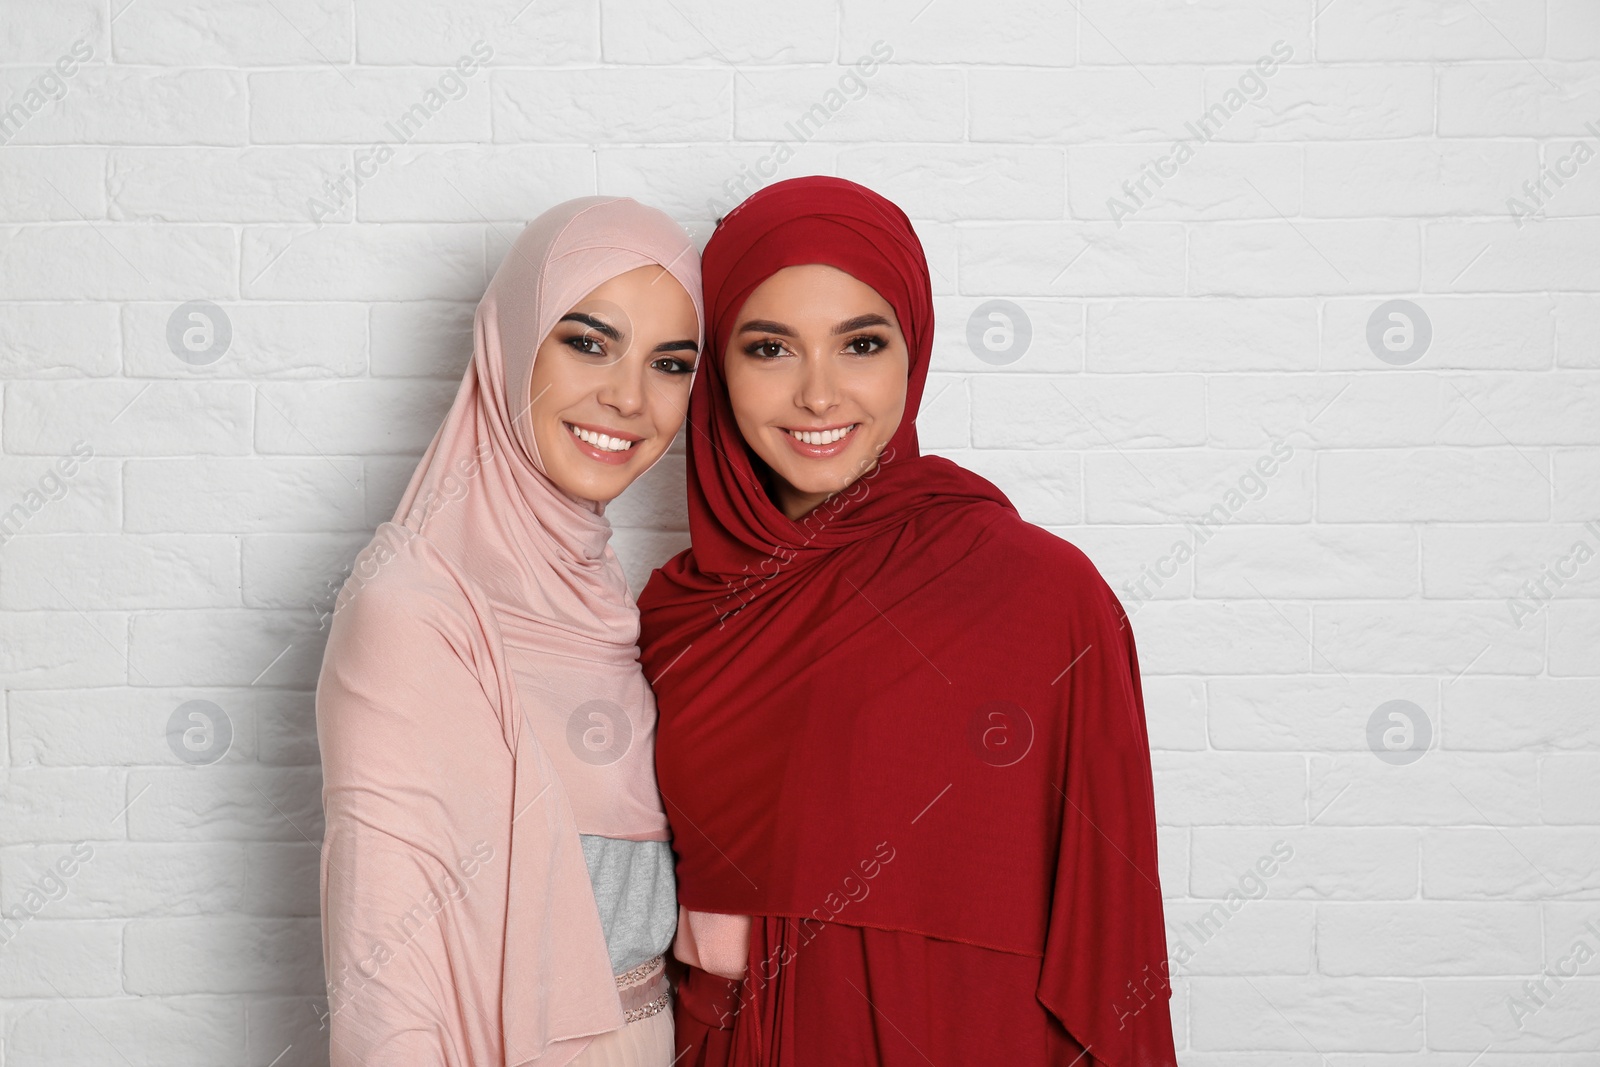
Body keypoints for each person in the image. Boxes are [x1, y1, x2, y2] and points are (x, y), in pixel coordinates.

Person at [637, 176, 1177, 1065]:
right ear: (716, 370)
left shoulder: (1044, 596)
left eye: (861, 343)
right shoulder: (673, 617)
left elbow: (1112, 941)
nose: (819, 395)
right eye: (770, 347)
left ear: (913, 353)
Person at [315, 196, 703, 1066]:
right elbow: (385, 974)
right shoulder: (412, 606)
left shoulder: (608, 597)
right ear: (512, 341)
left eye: (671, 363)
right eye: (587, 341)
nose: (629, 397)